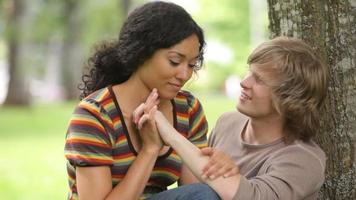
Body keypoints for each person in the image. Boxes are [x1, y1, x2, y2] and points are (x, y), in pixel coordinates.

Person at [64, 1, 230, 199]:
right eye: (174, 61)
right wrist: (150, 149)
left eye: (192, 65)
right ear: (141, 52)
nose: (184, 74)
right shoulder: (94, 115)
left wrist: (216, 168)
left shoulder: (188, 109)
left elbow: (192, 191)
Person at [136, 36, 329, 199]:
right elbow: (191, 191)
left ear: (289, 98)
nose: (244, 82)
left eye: (260, 79)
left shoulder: (304, 159)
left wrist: (169, 134)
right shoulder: (228, 123)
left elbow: (251, 197)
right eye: (250, 72)